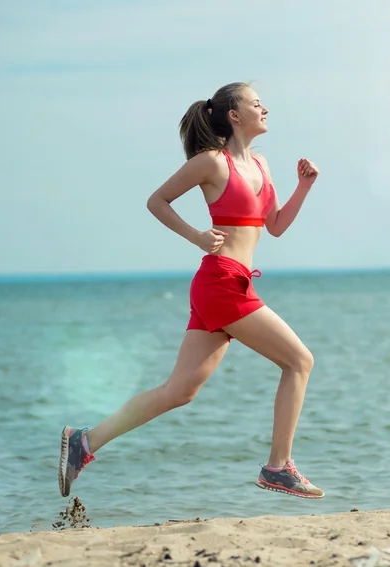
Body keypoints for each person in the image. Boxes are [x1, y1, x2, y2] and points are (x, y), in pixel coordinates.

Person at [58, 82, 324, 499]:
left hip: (229, 283)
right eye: (256, 103)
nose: (265, 108)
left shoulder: (262, 165)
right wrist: (196, 236)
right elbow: (157, 200)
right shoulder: (211, 164)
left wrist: (303, 188)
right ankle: (278, 467)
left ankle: (85, 442)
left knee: (179, 391)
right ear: (234, 115)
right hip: (221, 282)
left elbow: (274, 227)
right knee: (299, 362)